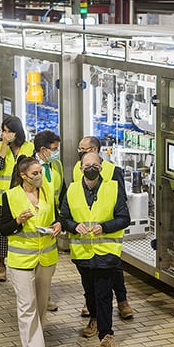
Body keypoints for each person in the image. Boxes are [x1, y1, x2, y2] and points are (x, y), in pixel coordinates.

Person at [61, 151, 130, 347]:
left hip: (106, 253)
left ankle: (106, 336)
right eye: (87, 166)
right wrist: (74, 226)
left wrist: (105, 227)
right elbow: (64, 217)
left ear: (101, 168)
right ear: (81, 169)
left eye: (95, 166)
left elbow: (124, 218)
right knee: (89, 292)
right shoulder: (72, 190)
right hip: (83, 253)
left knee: (104, 294)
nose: (91, 169)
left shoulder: (112, 189)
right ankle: (94, 317)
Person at [0, 155, 61, 347]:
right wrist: (18, 220)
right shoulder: (11, 196)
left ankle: (37, 338)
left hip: (46, 257)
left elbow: (56, 216)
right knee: (27, 304)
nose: (39, 176)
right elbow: (3, 229)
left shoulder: (48, 191)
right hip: (22, 260)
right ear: (23, 175)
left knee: (41, 303)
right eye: (35, 173)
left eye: (40, 172)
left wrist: (58, 225)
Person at [73, 136, 134, 320]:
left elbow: (121, 202)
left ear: (94, 150)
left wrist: (107, 225)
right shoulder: (78, 169)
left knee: (114, 268)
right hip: (86, 237)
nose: (80, 152)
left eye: (83, 149)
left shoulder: (113, 171)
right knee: (89, 277)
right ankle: (89, 304)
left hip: (108, 233)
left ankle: (122, 301)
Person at [0, 115, 34, 282]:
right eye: (3, 131)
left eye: (9, 132)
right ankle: (2, 265)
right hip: (2, 197)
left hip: (22, 196)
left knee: (22, 229)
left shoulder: (29, 147)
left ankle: (23, 261)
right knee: (1, 231)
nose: (6, 134)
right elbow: (0, 165)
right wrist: (4, 143)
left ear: (18, 132)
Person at [33, 130, 66, 312]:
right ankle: (36, 298)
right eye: (53, 149)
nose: (56, 152)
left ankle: (46, 296)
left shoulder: (57, 165)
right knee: (35, 263)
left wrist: (61, 218)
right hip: (34, 220)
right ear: (43, 149)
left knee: (49, 263)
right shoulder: (27, 165)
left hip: (52, 219)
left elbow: (62, 191)